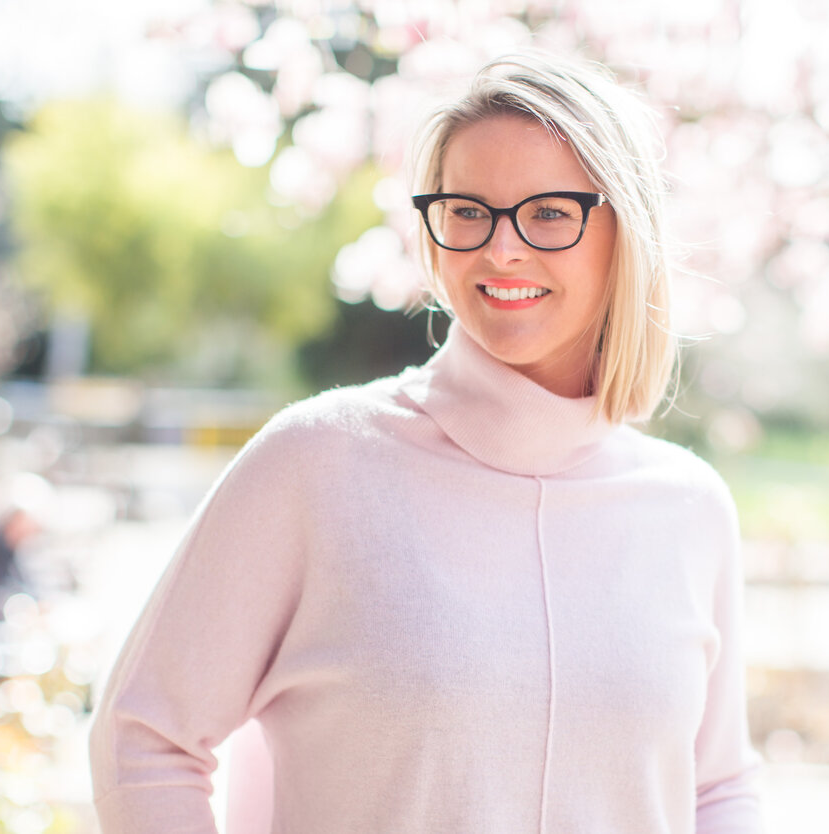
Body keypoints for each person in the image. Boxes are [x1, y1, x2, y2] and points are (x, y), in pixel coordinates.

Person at [88, 51, 764, 833]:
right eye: (468, 210)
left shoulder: (688, 508)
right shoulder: (317, 462)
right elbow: (143, 735)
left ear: (625, 230)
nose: (501, 249)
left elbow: (716, 787)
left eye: (549, 211)